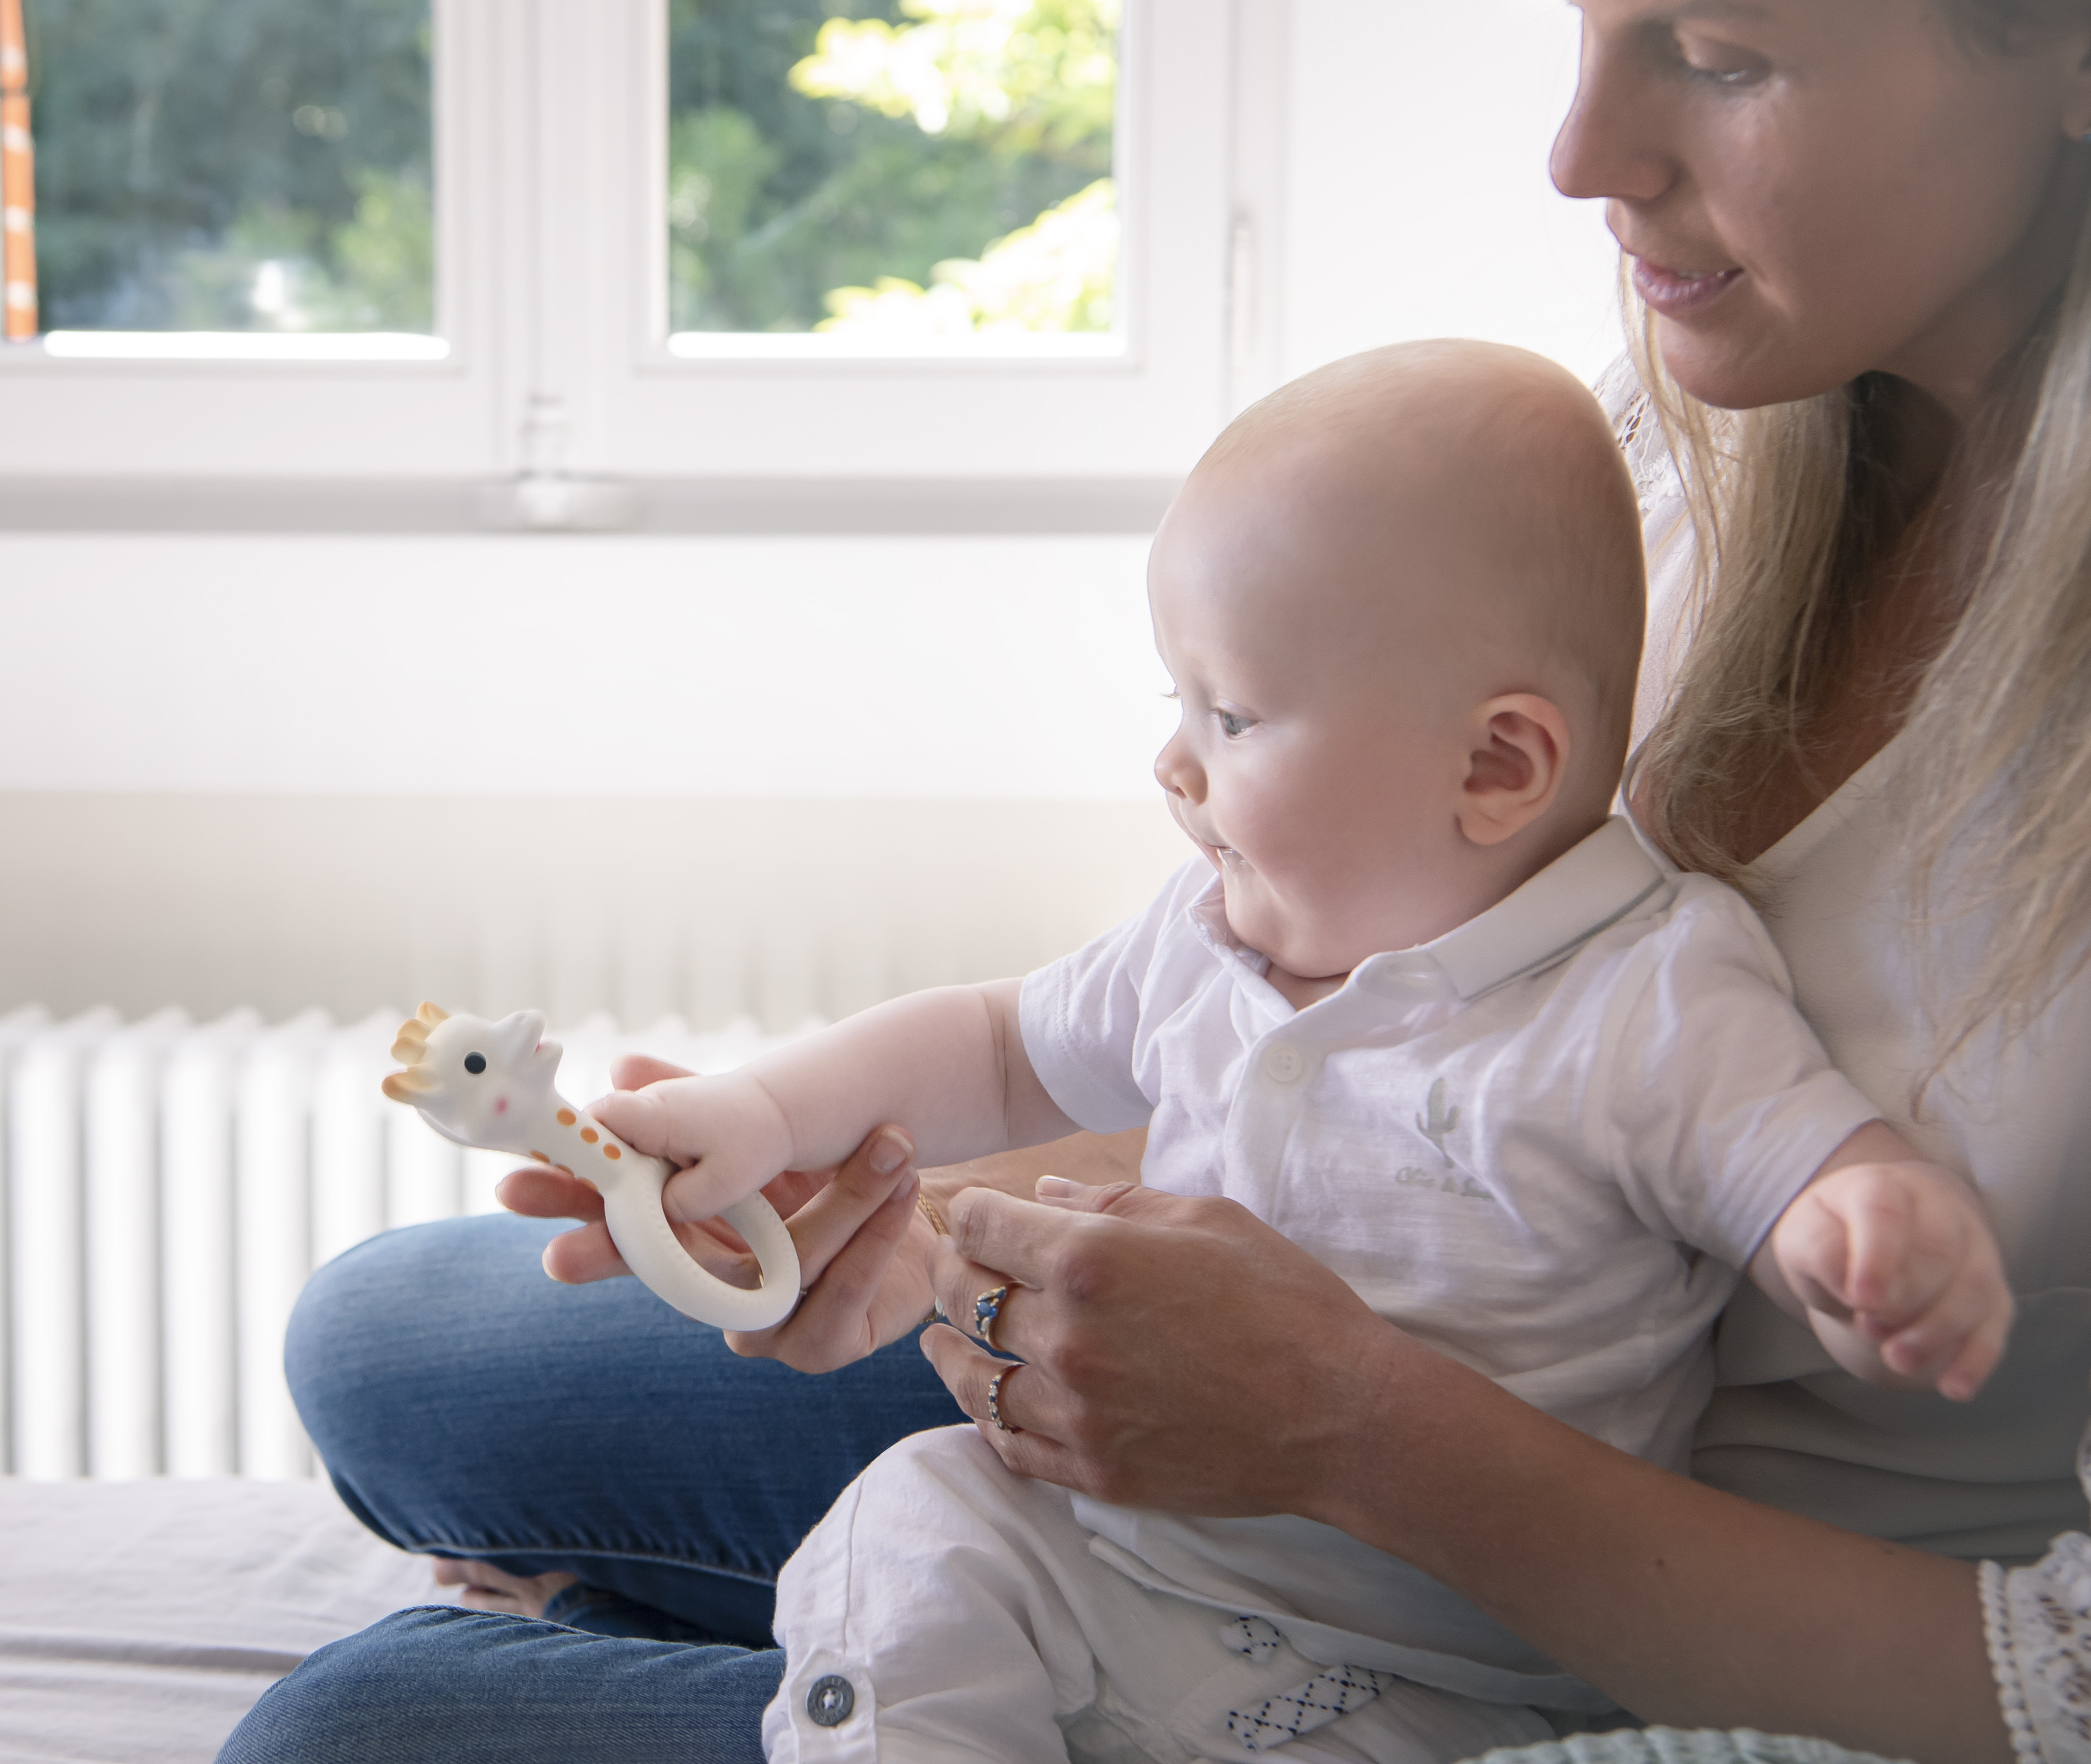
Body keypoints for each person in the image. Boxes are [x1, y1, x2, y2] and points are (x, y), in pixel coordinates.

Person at [218, 4, 2091, 1760]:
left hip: (1530, 1597)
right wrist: (906, 1207)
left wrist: (1352, 1426)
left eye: (1722, 55)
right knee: (386, 1343)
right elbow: (1305, 1046)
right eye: (1585, 26)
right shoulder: (1664, 454)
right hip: (1313, 1402)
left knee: (355, 1723)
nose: (1579, 151)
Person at [584, 340, 2007, 1764]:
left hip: (1433, 1669)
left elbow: (1790, 1156)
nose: (1171, 767)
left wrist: (1864, 1226)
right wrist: (766, 1112)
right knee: (913, 1517)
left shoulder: (1641, 990)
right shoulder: (1210, 936)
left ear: (1496, 767)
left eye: (1232, 714)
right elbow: (1001, 1043)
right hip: (1125, 1557)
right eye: (1175, 705)